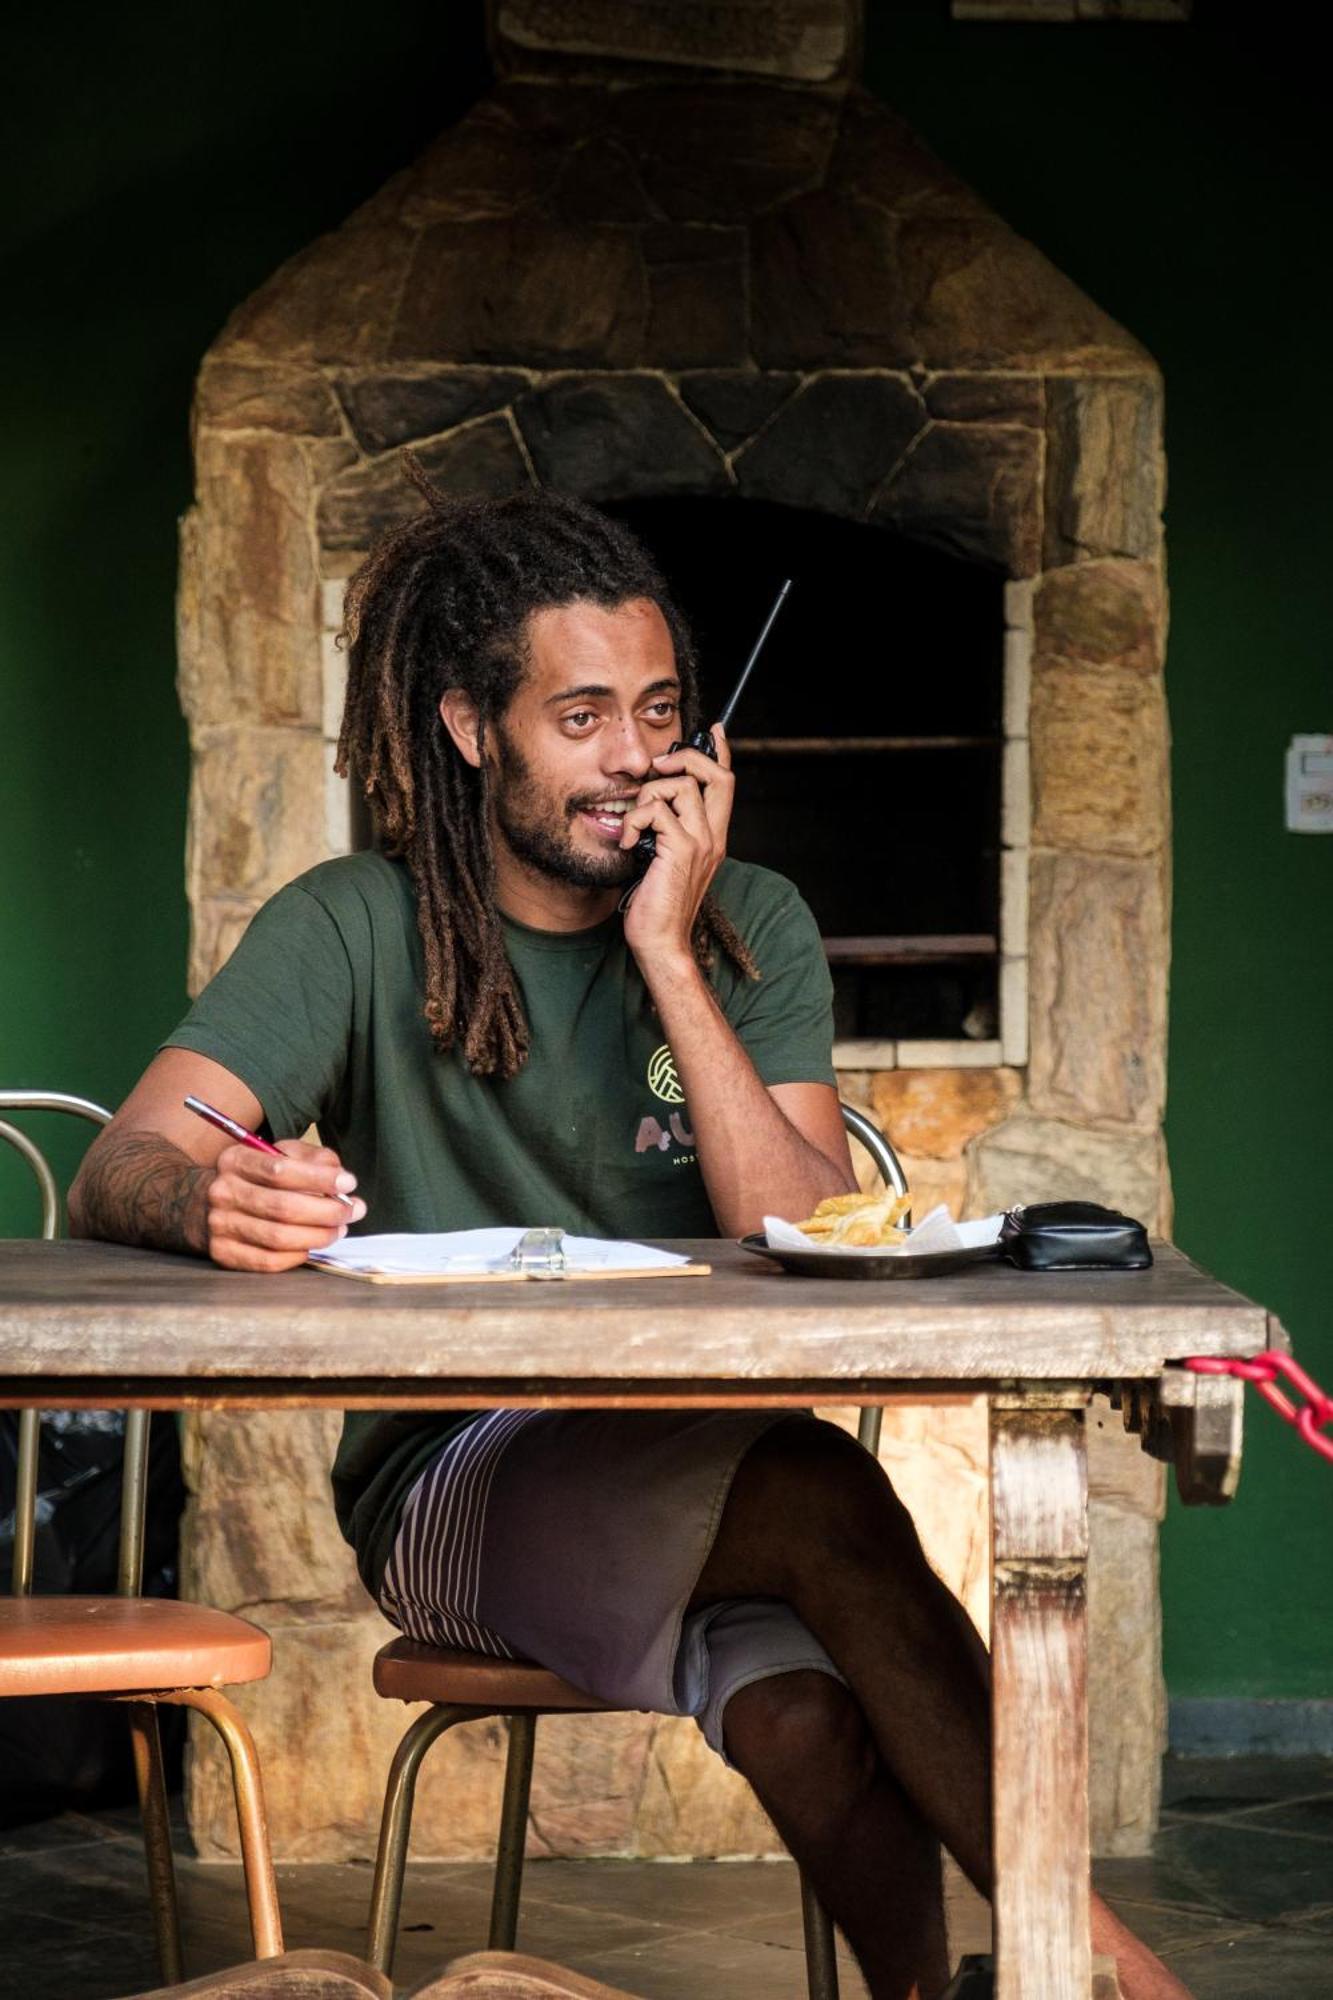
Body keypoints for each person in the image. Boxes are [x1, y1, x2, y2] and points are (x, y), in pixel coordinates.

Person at [70, 478, 1190, 2000]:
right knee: (820, 1487)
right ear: (473, 729)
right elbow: (122, 1160)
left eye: (658, 711)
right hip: (452, 1481)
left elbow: (792, 1218)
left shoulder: (753, 923)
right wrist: (202, 1197)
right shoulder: (356, 921)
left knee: (807, 1709)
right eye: (579, 716)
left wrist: (669, 950)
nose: (632, 758)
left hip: (703, 1467)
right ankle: (1107, 1977)